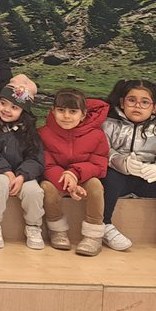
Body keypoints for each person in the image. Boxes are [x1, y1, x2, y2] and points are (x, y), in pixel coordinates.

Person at [101, 79, 156, 254]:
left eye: (144, 102)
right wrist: (122, 163)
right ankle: (104, 224)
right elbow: (103, 151)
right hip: (120, 177)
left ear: (154, 107)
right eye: (132, 100)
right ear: (122, 103)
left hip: (146, 179)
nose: (137, 106)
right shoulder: (109, 124)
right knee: (109, 178)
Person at [39, 89, 110, 256]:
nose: (66, 116)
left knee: (95, 185)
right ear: (53, 111)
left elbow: (99, 165)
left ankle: (93, 235)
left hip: (83, 177)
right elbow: (46, 165)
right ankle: (57, 229)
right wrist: (68, 183)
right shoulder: (43, 133)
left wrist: (74, 174)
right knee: (46, 187)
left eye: (73, 111)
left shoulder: (97, 135)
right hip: (56, 179)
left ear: (83, 114)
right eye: (61, 110)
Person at [0, 76, 46, 249]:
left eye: (14, 107)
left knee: (34, 191)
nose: (6, 110)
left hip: (22, 174)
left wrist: (22, 175)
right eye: (3, 103)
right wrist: (6, 171)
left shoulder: (30, 132)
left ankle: (33, 226)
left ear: (24, 111)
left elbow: (36, 158)